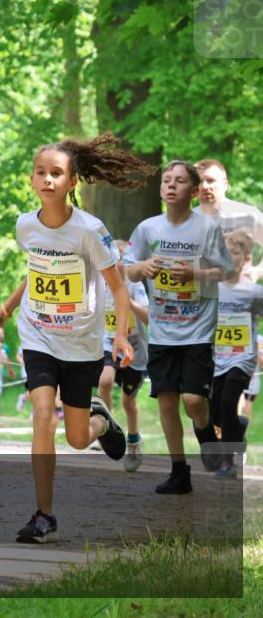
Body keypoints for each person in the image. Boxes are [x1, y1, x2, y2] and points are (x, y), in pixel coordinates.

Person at [0, 133, 154, 544]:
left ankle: (102, 421)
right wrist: (8, 307)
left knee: (78, 439)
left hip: (80, 343)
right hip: (39, 335)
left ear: (72, 181)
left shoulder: (89, 231)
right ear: (32, 180)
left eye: (56, 173)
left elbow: (118, 290)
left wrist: (121, 337)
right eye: (40, 173)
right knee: (43, 414)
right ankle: (44, 515)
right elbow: (36, 271)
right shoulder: (26, 225)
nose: (47, 180)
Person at [124, 160, 234, 494]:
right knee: (167, 402)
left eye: (180, 180)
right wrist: (143, 267)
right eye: (167, 180)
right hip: (162, 330)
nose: (171, 185)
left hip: (198, 330)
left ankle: (205, 432)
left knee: (193, 400)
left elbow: (226, 271)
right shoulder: (148, 229)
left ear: (194, 190)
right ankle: (179, 472)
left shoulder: (208, 228)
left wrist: (195, 274)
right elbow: (127, 270)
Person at [211, 229, 263, 478]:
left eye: (234, 253)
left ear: (247, 259)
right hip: (216, 358)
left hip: (243, 359)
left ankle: (227, 462)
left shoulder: (254, 292)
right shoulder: (211, 289)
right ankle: (237, 429)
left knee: (228, 402)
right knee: (215, 411)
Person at [96, 240, 150, 473]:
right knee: (105, 381)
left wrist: (128, 302)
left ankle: (134, 440)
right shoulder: (100, 284)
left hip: (134, 350)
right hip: (108, 345)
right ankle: (107, 428)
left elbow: (147, 317)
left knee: (129, 402)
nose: (117, 265)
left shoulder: (135, 285)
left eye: (122, 261)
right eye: (113, 260)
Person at [194, 159, 263, 281]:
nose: (204, 186)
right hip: (201, 290)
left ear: (225, 185)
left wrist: (258, 271)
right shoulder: (186, 220)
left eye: (211, 180)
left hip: (239, 290)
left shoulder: (247, 215)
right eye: (199, 182)